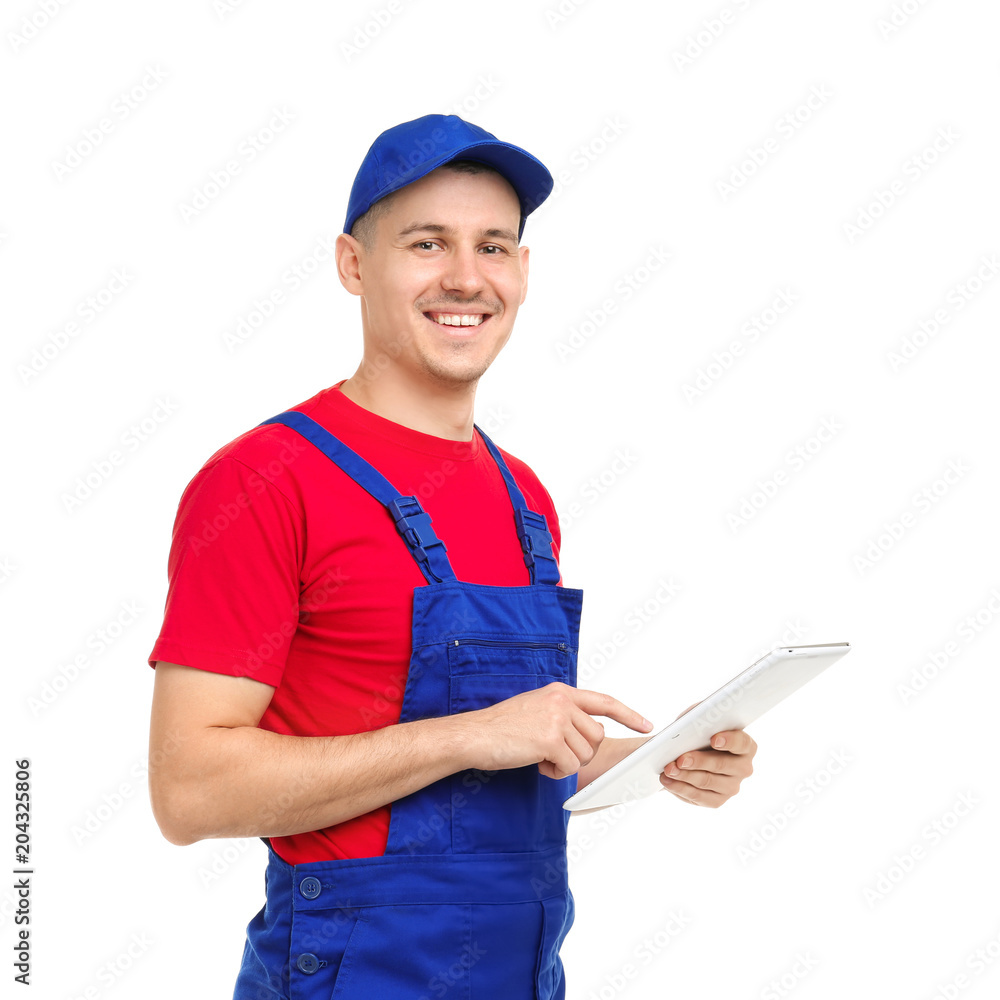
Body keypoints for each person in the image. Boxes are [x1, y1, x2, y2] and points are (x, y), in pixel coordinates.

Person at [146, 113, 757, 999]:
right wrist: (470, 735)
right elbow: (190, 791)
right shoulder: (264, 482)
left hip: (524, 968)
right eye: (428, 243)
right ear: (355, 265)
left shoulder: (525, 499)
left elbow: (518, 755)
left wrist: (663, 753)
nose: (467, 278)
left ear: (523, 271)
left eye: (495, 247)